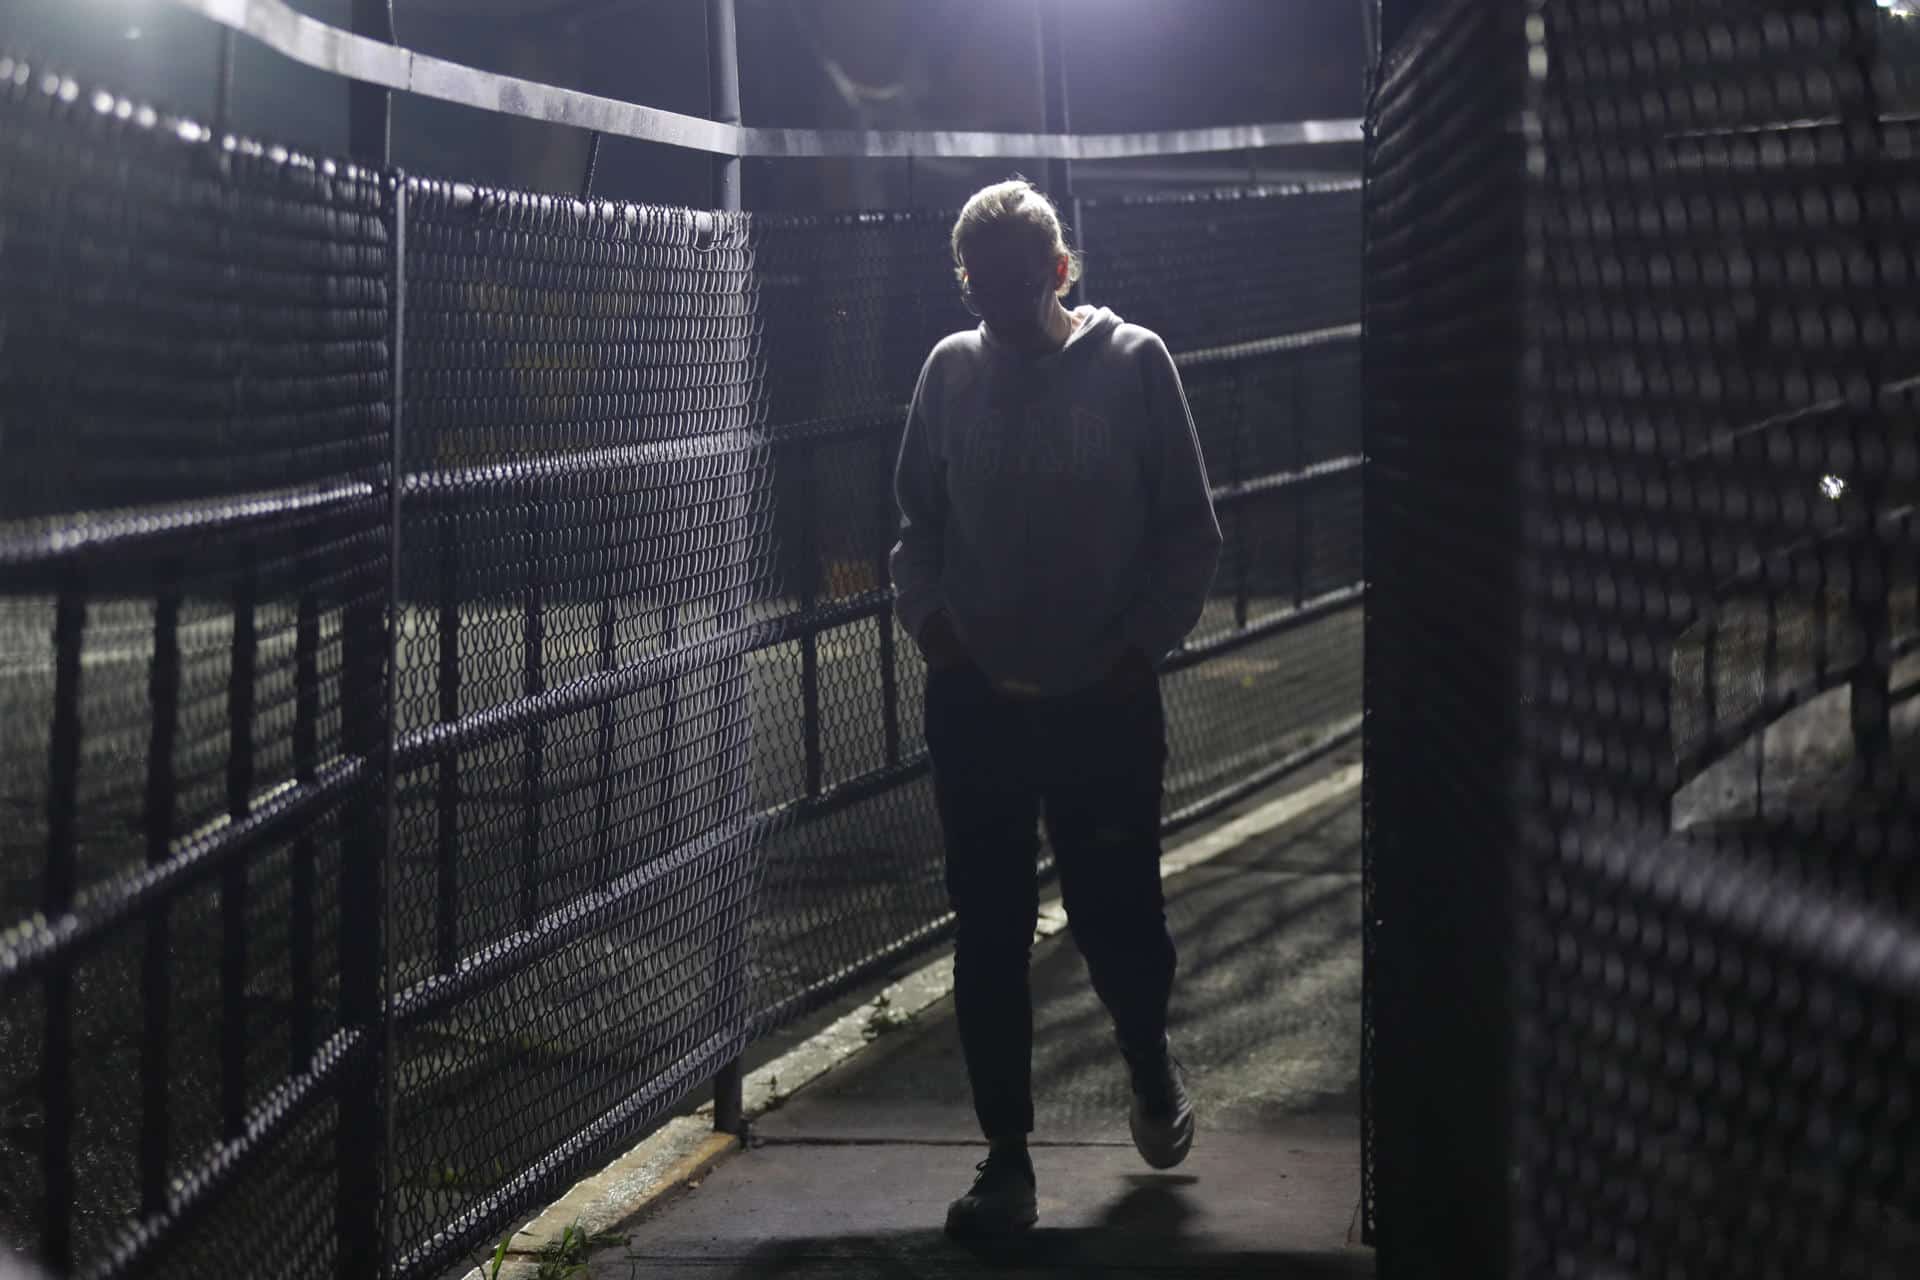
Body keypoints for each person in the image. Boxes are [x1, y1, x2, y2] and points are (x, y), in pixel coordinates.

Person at [889, 178, 1223, 1238]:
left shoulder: (1133, 365)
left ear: (1061, 272)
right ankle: (1007, 1158)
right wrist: (936, 629)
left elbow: (1188, 528)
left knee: (1119, 917)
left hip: (1098, 702)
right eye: (982, 286)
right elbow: (916, 524)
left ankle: (1146, 1054)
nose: (1000, 304)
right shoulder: (949, 373)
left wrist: (1135, 651)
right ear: (965, 282)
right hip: (979, 700)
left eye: (1020, 282)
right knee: (987, 928)